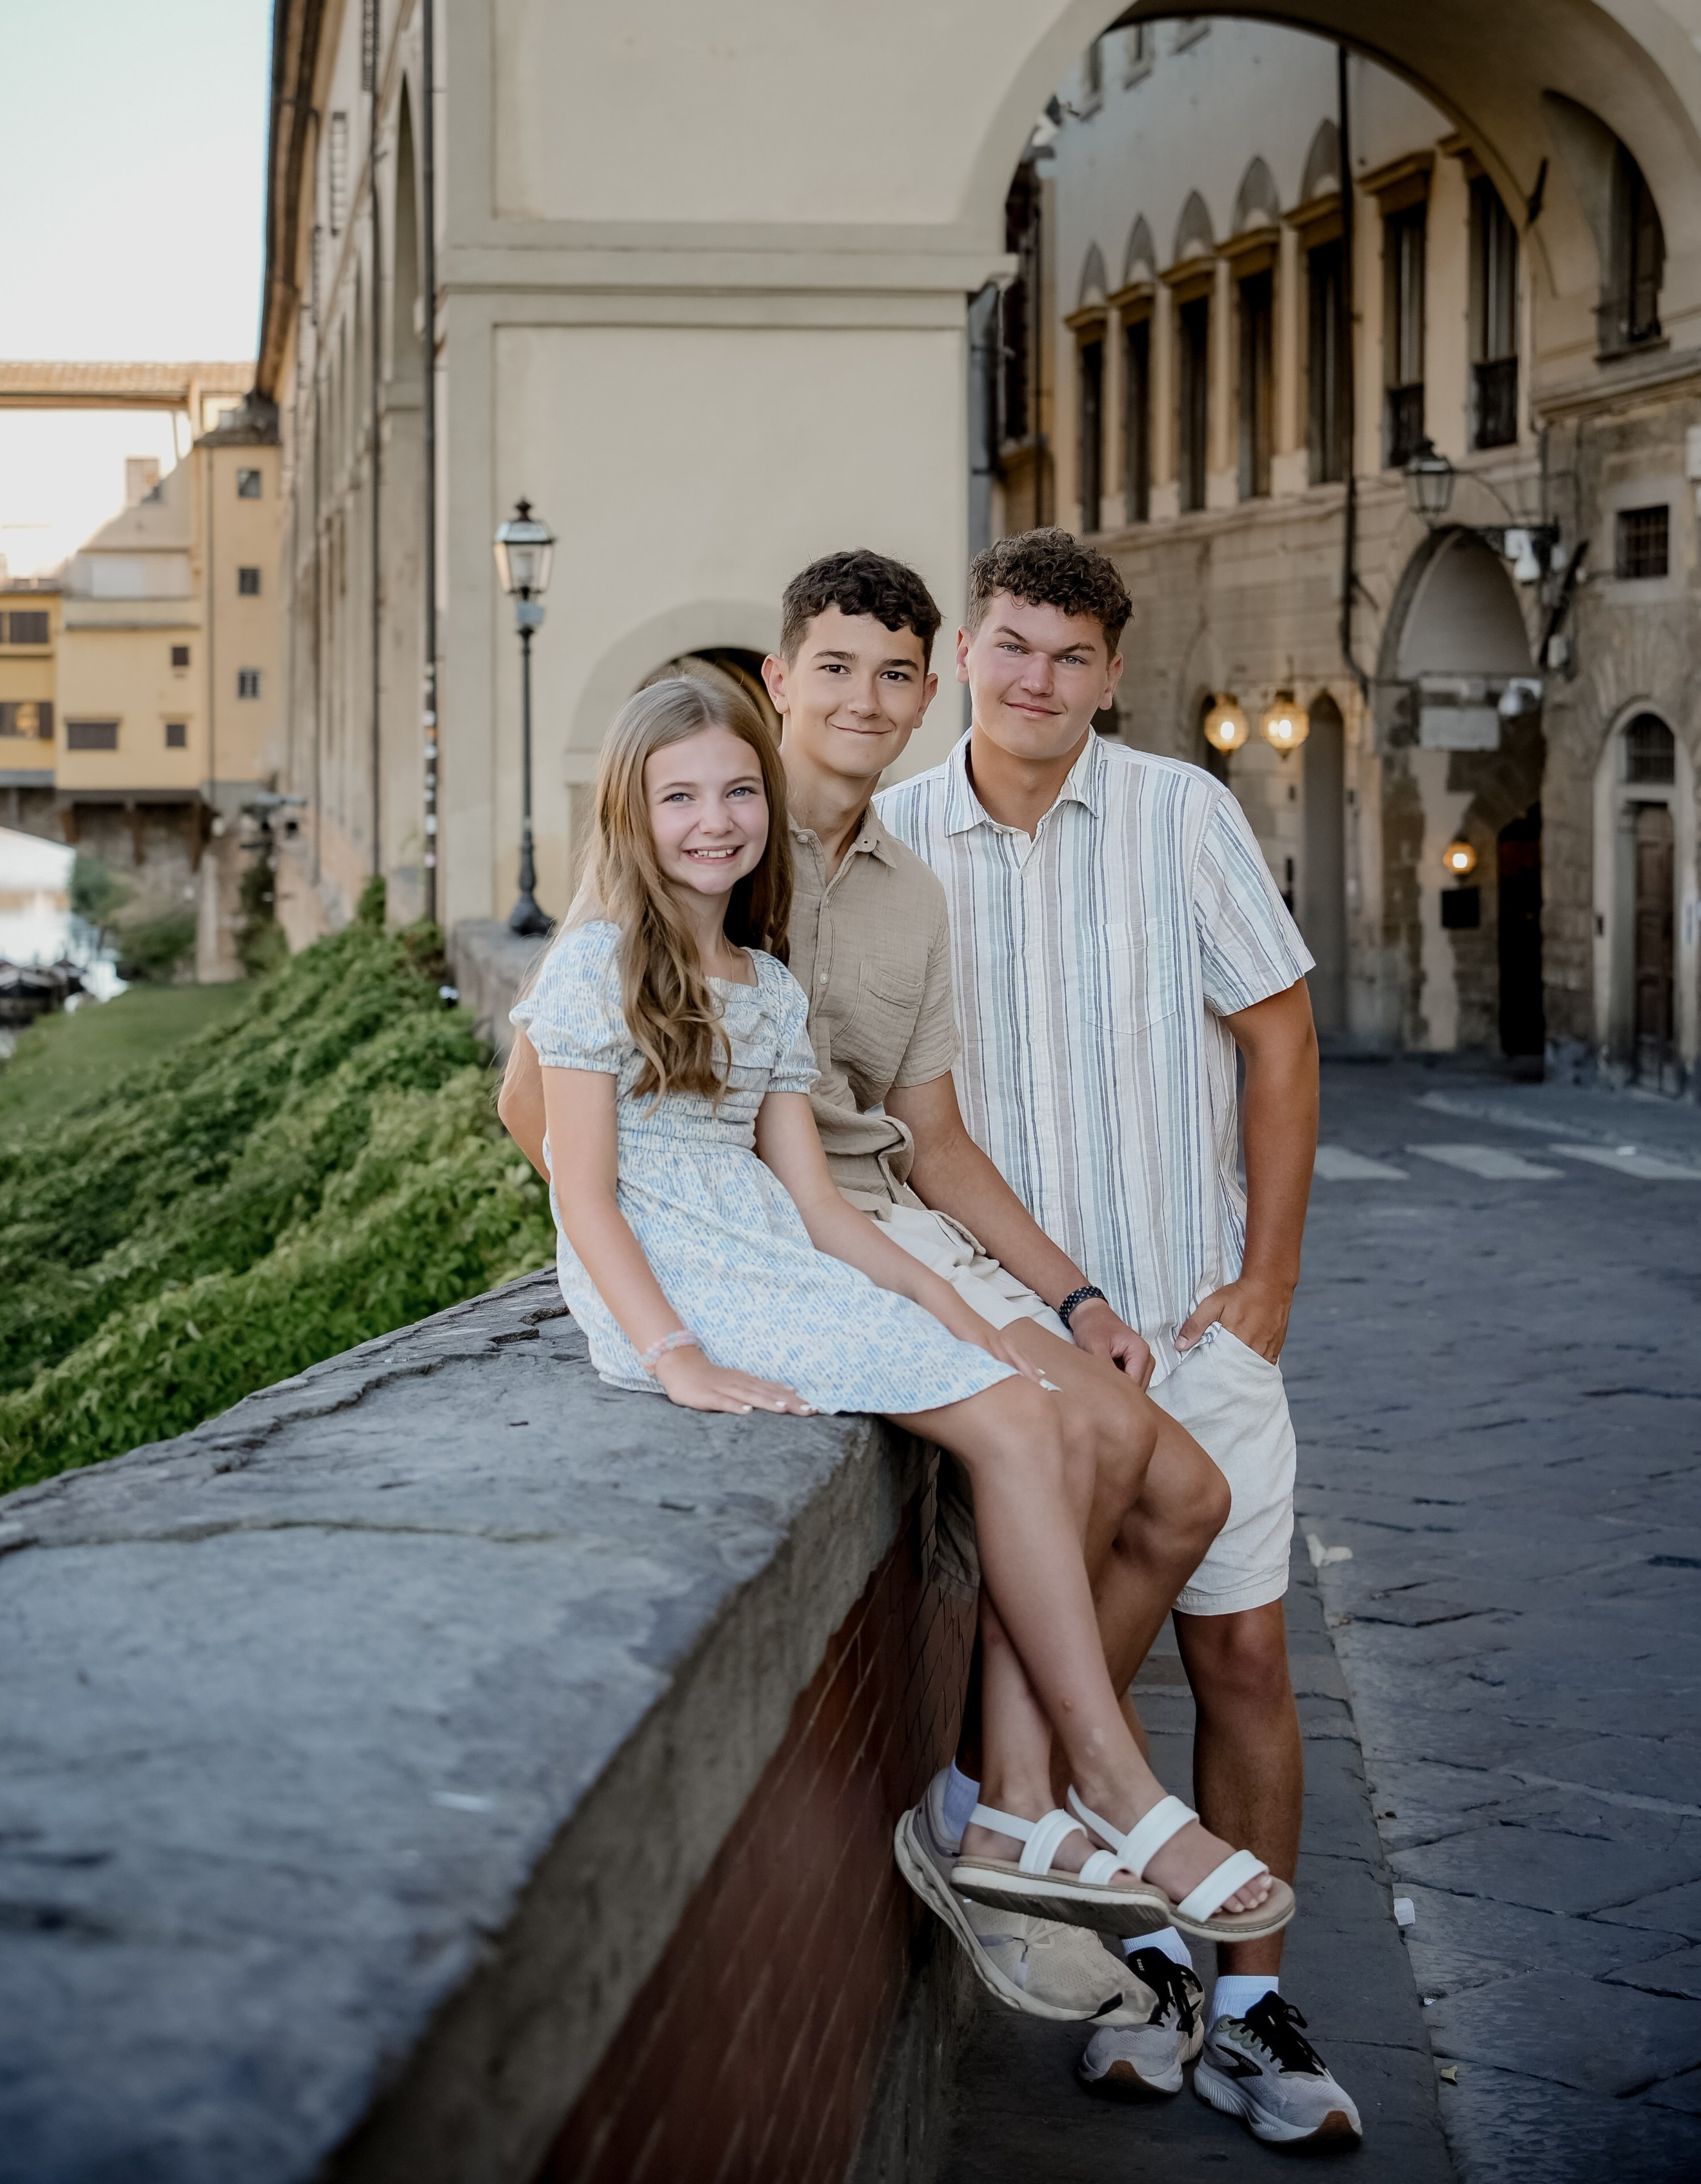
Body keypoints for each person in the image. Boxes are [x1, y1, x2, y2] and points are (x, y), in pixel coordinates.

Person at [503, 555, 1229, 2070]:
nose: (866, 702)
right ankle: (1028, 1804)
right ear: (782, 682)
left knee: (1173, 1481)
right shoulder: (651, 895)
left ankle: (1007, 1798)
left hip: (847, 1227)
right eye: (834, 670)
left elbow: (924, 1148)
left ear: (927, 684)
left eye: (895, 675)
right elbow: (560, 1139)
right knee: (1079, 1441)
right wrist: (664, 1287)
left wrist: (1060, 1296)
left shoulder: (888, 894)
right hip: (734, 1253)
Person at [877, 528, 1362, 2155]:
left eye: (1071, 658)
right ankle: (1154, 1970)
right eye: (1010, 645)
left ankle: (1250, 2006)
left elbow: (1277, 1038)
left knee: (1238, 1657)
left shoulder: (1177, 813)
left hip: (1189, 1317)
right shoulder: (882, 845)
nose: (1037, 681)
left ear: (1110, 675)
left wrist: (1267, 1281)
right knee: (1095, 1652)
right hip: (1021, 1352)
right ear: (963, 651)